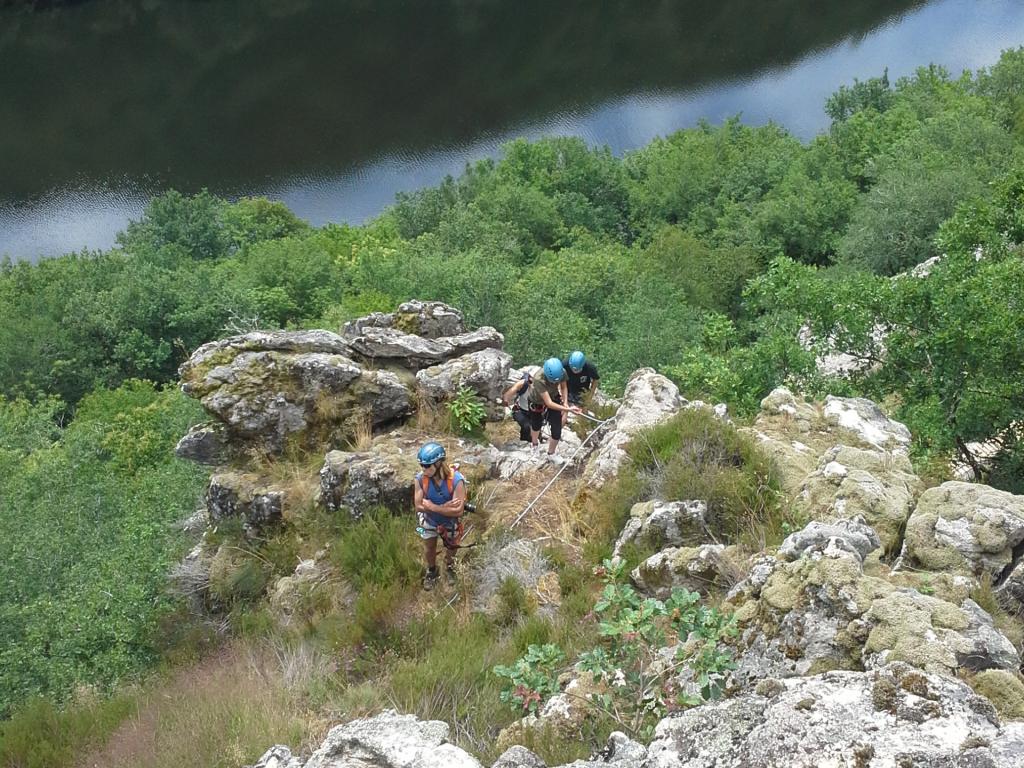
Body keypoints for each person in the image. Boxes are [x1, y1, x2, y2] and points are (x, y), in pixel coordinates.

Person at [413, 441, 466, 591]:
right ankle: (431, 570)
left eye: (427, 466)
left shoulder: (457, 480)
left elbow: (458, 511)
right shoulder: (420, 479)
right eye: (421, 465)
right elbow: (418, 505)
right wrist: (444, 508)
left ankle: (449, 567)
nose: (423, 469)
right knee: (429, 547)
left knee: (452, 546)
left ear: (438, 464)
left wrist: (431, 506)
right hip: (429, 522)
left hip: (450, 522)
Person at [527, 357, 581, 459]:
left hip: (553, 396)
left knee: (557, 430)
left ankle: (551, 453)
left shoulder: (561, 372)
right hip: (536, 401)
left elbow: (564, 387)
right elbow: (548, 403)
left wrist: (565, 402)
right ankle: (534, 444)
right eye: (551, 381)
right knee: (536, 424)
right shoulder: (539, 379)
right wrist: (568, 409)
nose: (553, 383)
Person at [502, 365, 540, 442]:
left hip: (536, 412)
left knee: (535, 430)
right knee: (526, 427)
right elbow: (508, 394)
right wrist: (506, 400)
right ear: (529, 378)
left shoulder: (545, 387)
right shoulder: (522, 384)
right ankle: (524, 443)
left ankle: (531, 443)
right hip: (521, 411)